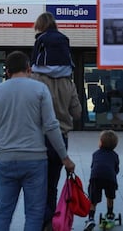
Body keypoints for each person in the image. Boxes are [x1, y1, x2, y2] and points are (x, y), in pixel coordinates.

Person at [0, 51, 76, 231]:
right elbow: (51, 126)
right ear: (29, 69)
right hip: (35, 161)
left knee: (4, 211)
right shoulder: (40, 89)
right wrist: (64, 157)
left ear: (7, 72)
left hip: (6, 160)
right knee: (34, 213)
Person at [30, 12, 82, 230]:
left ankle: (37, 221)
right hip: (60, 139)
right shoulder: (68, 82)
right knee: (51, 184)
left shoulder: (34, 80)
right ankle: (49, 222)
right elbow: (78, 113)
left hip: (37, 138)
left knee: (35, 185)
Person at [84, 130, 120, 231]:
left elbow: (93, 167)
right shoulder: (115, 155)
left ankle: (91, 219)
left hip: (95, 177)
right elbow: (116, 169)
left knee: (93, 200)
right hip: (110, 177)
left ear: (101, 143)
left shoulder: (95, 154)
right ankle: (109, 214)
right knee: (110, 197)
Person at [31, 11, 74, 78]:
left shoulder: (41, 38)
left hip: (44, 73)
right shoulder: (64, 38)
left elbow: (34, 58)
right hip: (64, 73)